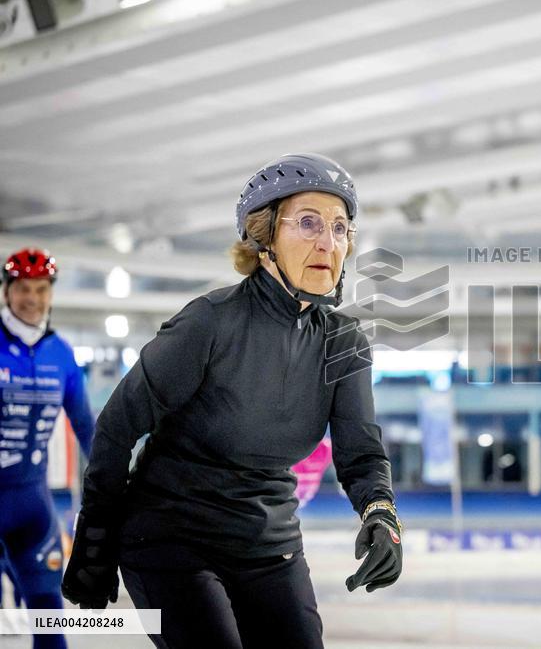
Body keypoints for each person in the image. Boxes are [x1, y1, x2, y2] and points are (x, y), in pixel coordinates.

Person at [60, 154, 403, 649]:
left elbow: (361, 453)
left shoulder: (343, 343)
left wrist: (380, 512)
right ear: (263, 237)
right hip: (170, 537)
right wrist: (95, 536)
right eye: (308, 223)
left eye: (340, 227)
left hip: (268, 544)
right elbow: (117, 425)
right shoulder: (209, 323)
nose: (328, 242)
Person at [0, 248, 95, 649]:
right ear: (7, 291)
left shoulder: (62, 354)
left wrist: (122, 485)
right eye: (23, 288)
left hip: (33, 508)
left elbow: (88, 429)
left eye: (41, 289)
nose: (32, 299)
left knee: (47, 613)